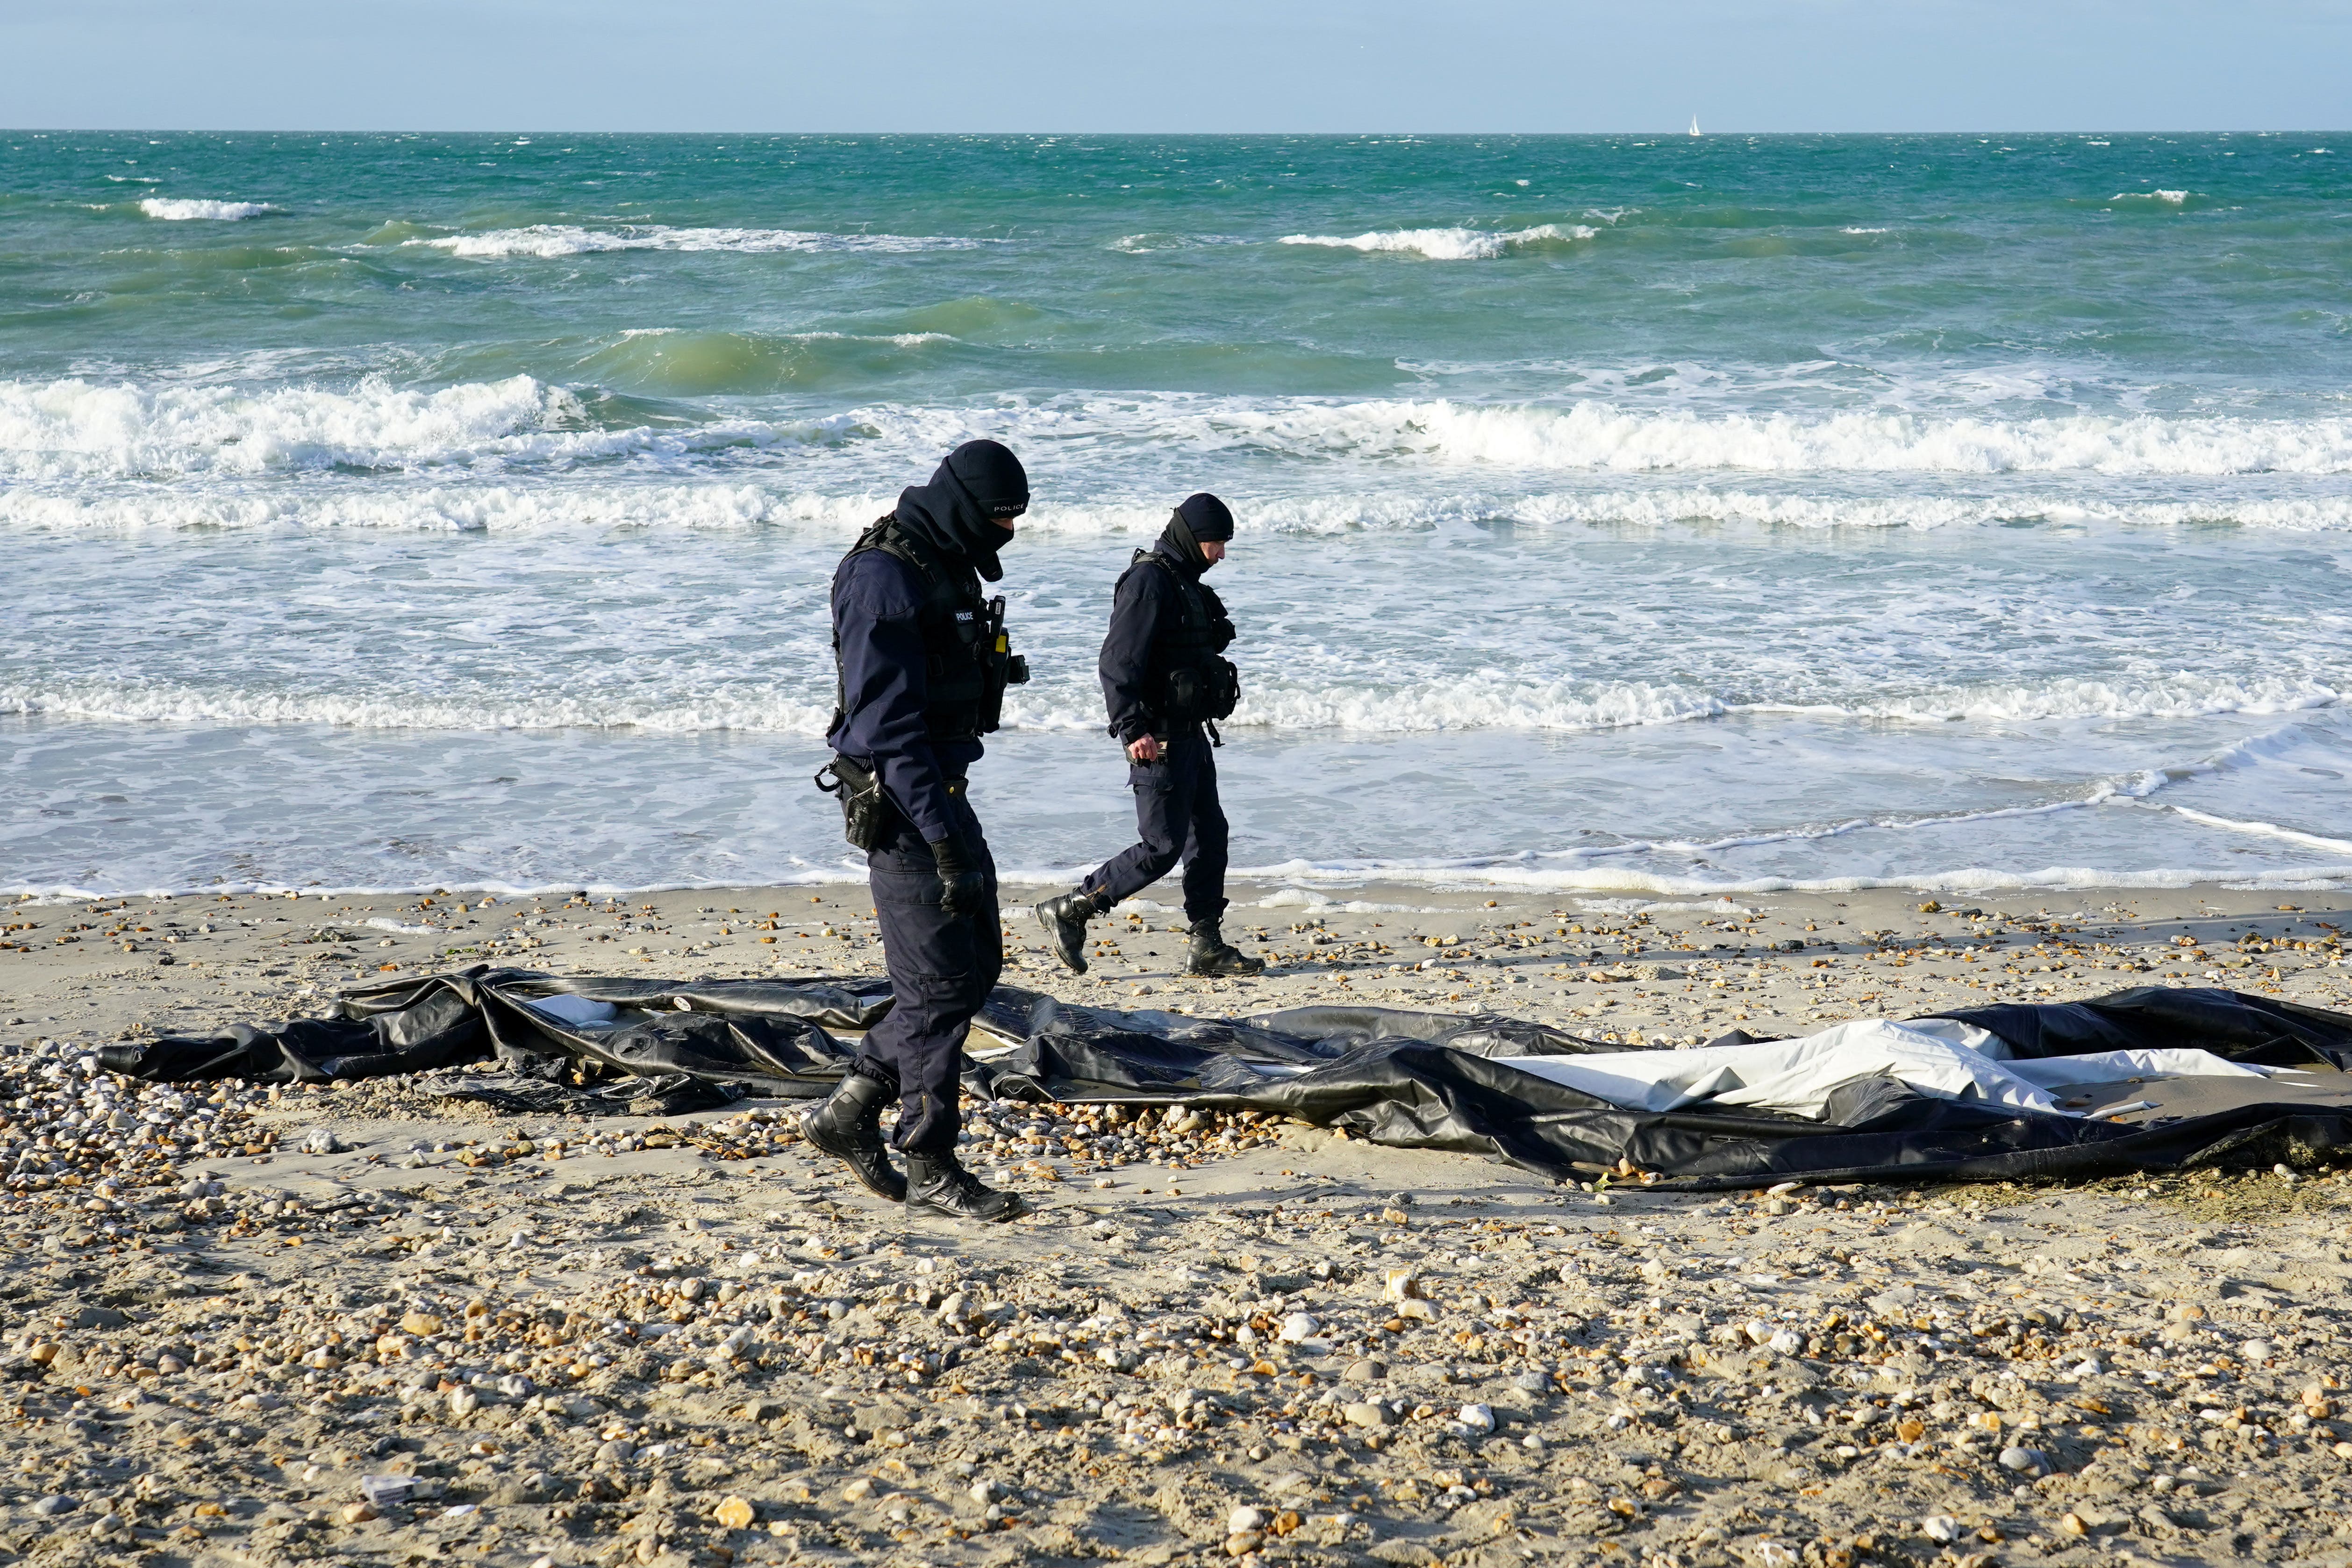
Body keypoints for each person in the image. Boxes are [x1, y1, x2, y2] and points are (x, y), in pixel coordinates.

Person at [800, 440, 1031, 1223]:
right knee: (934, 988)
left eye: (1014, 522)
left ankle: (850, 1108)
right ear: (965, 506)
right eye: (999, 520)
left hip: (942, 789)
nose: (1006, 534)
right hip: (903, 804)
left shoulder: (945, 558)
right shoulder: (883, 576)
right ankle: (929, 1161)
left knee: (974, 969)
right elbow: (887, 731)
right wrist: (940, 841)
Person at [1032, 494, 1265, 979]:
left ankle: (1206, 944)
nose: (1219, 554)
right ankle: (1073, 908)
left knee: (1209, 837)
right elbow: (1116, 662)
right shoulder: (1148, 582)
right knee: (1161, 846)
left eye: (1222, 544)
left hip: (1191, 736)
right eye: (1214, 543)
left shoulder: (1185, 583)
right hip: (1157, 739)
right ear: (1189, 536)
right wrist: (1131, 727)